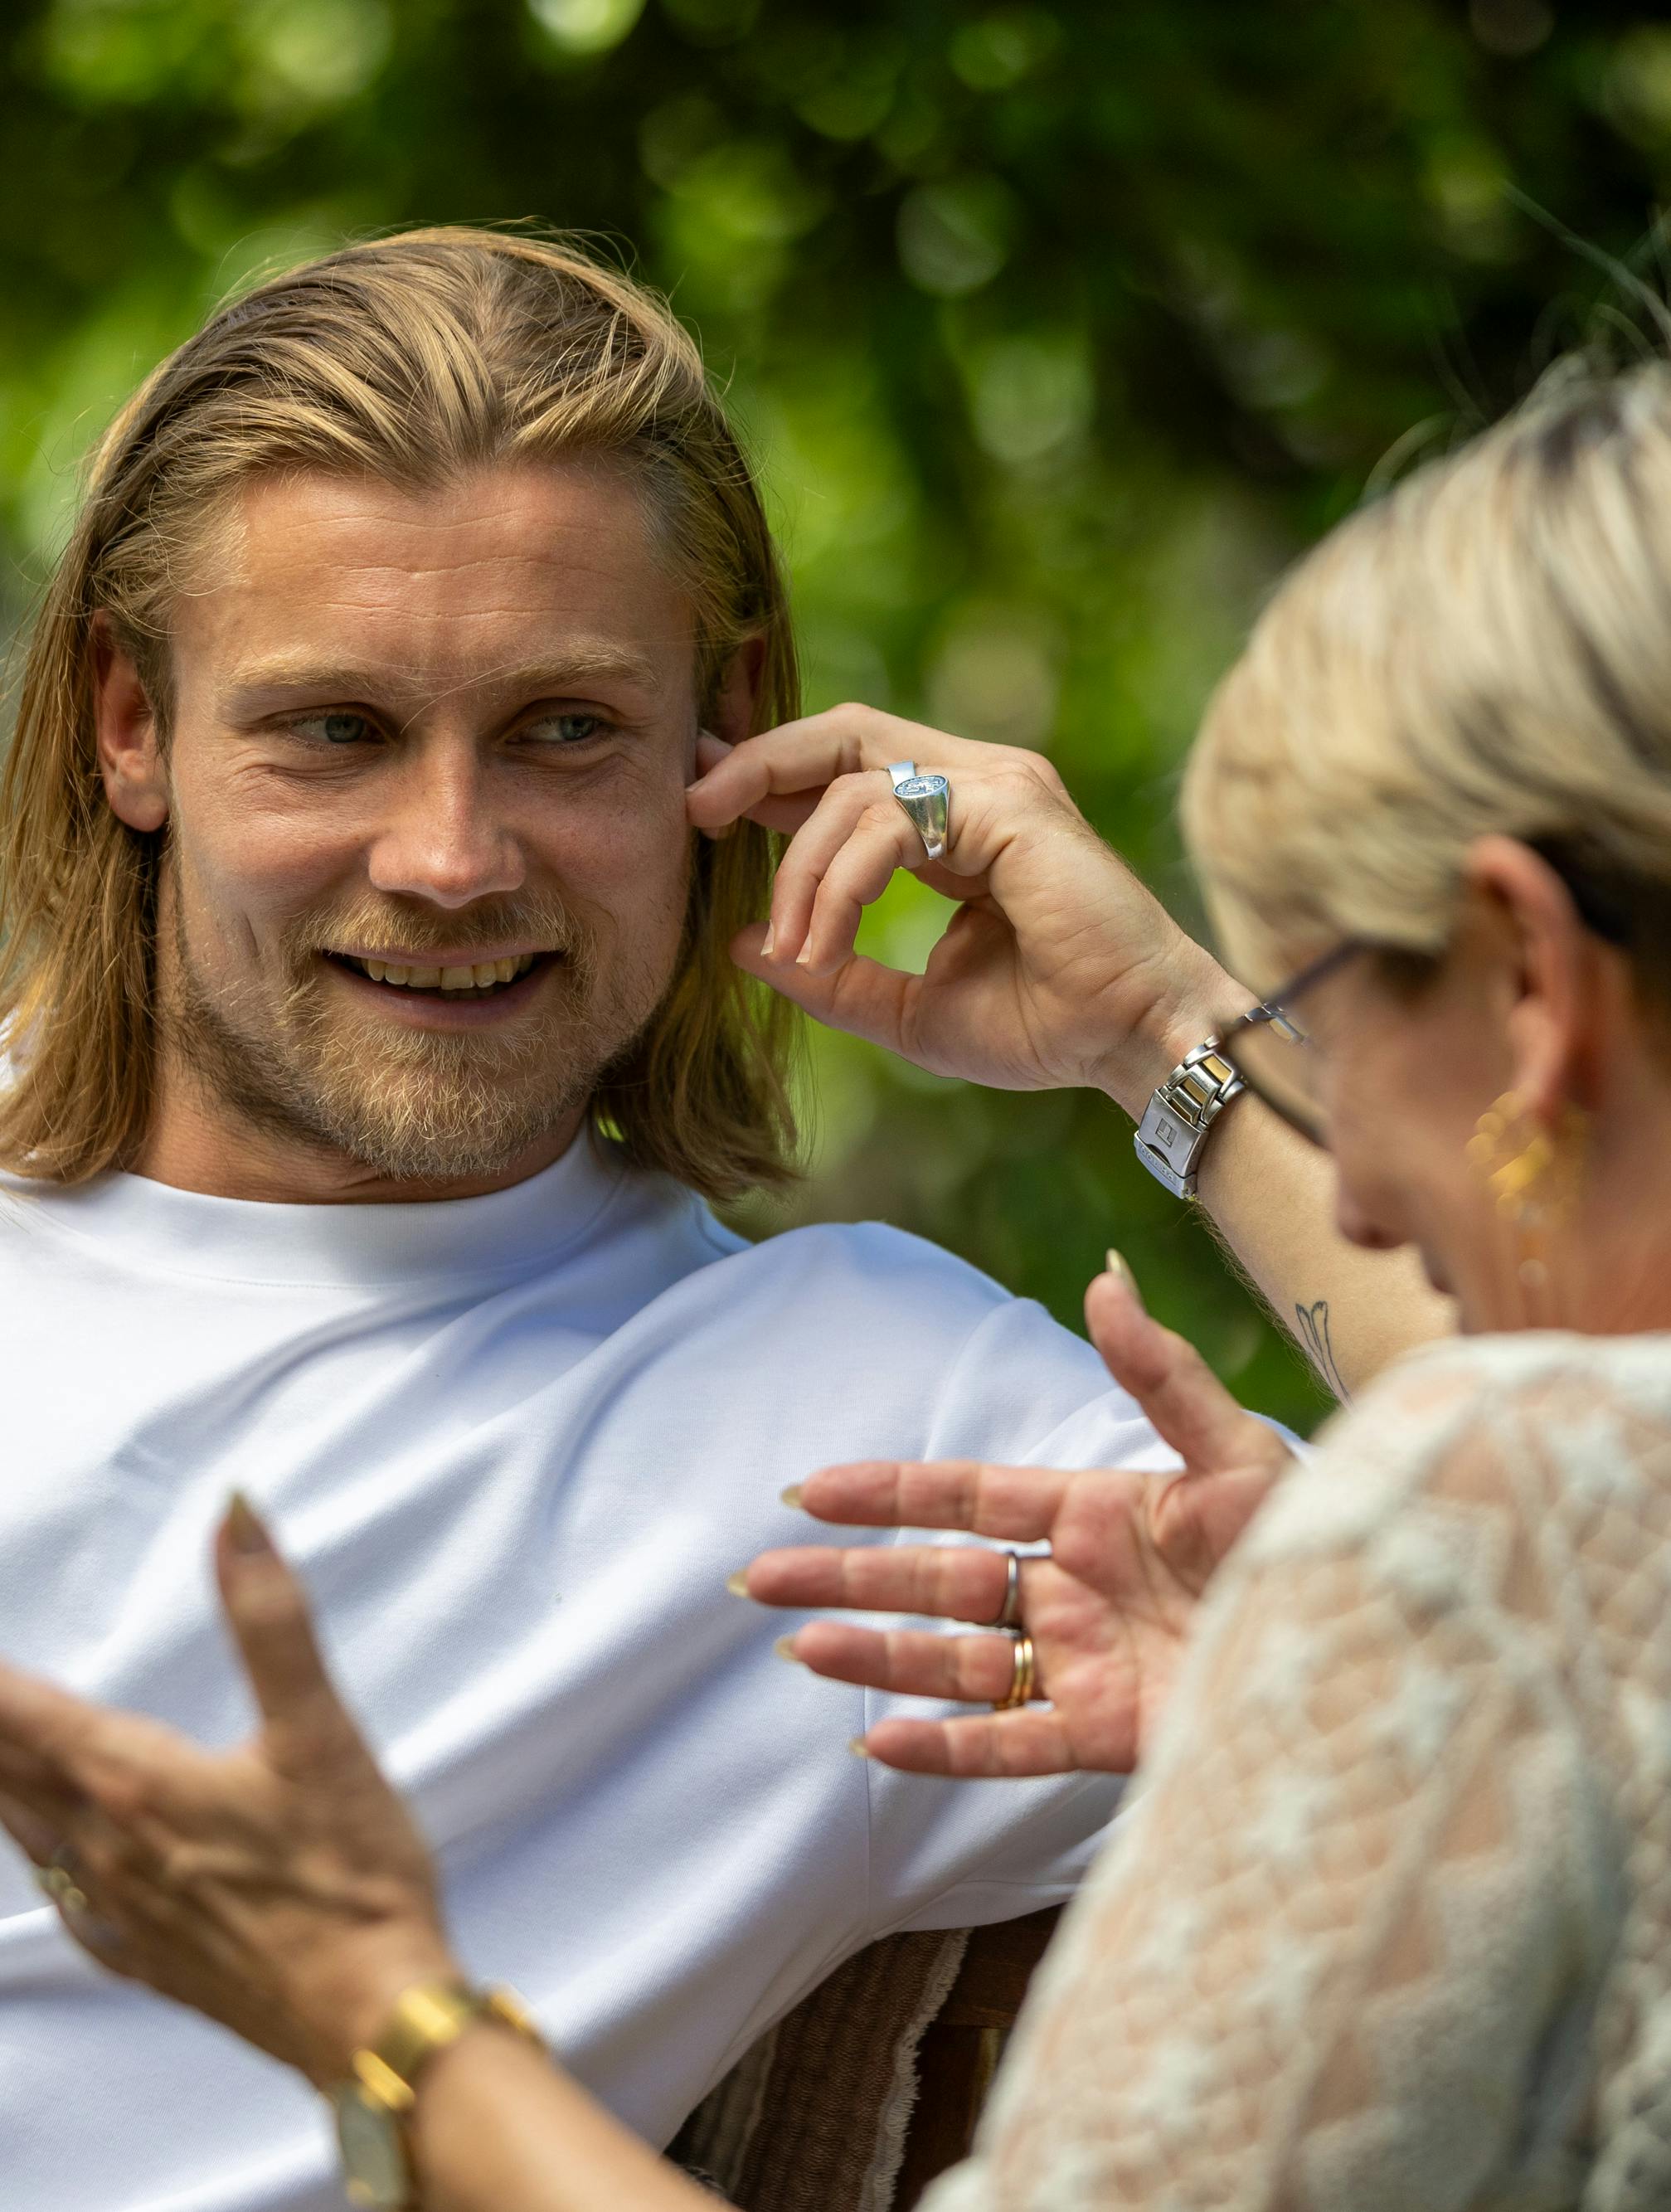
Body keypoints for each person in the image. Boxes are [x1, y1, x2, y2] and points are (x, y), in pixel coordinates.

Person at [8, 348, 1670, 2211]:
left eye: (565, 727)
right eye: (335, 730)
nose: (450, 856)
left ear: (723, 736)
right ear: (129, 723)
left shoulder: (877, 1412)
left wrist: (1162, 1033)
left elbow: (1618, 1538)